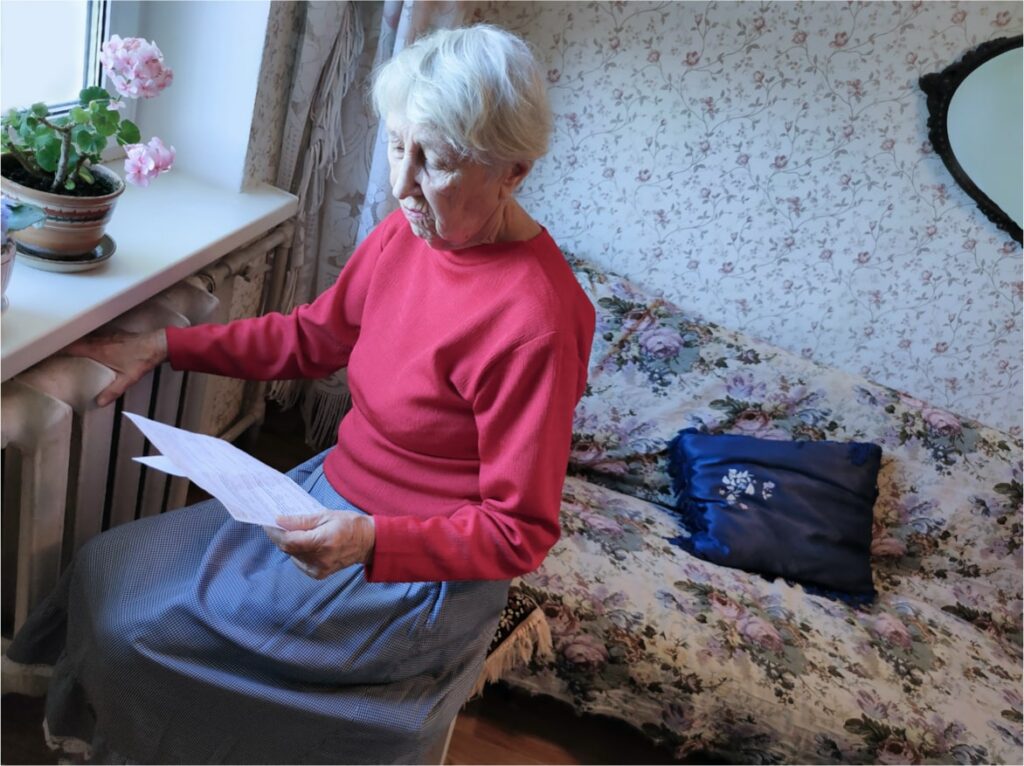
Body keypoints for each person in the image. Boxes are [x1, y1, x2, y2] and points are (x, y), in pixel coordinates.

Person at [5, 24, 595, 765]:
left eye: (436, 162)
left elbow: (520, 531)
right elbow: (311, 338)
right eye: (396, 146)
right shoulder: (405, 234)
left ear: (515, 170)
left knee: (140, 632)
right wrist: (165, 343)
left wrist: (374, 541)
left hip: (413, 569)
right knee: (107, 565)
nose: (401, 184)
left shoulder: (535, 322)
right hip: (332, 501)